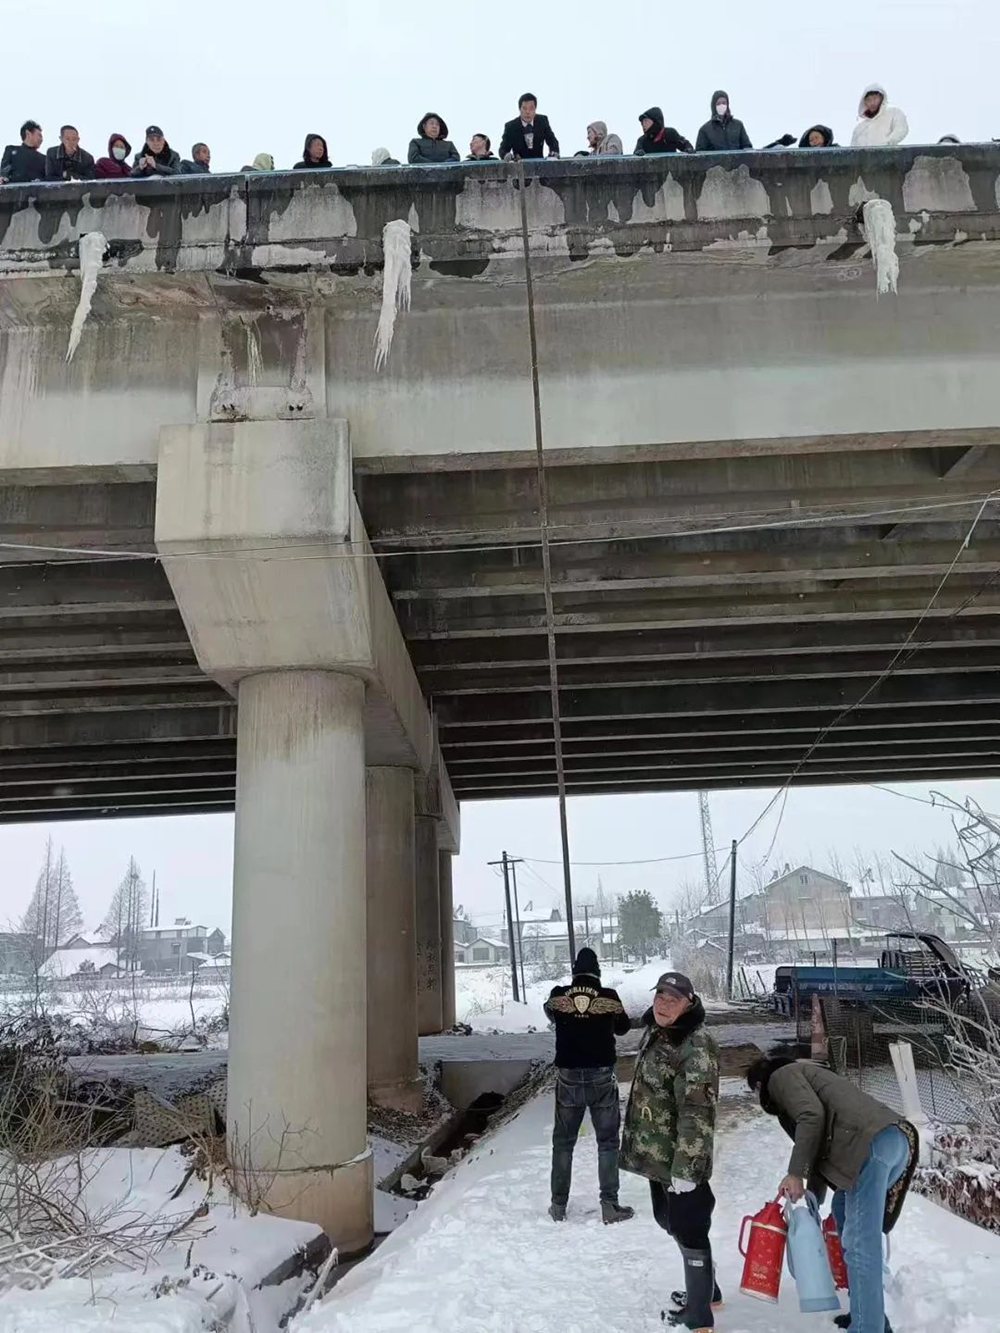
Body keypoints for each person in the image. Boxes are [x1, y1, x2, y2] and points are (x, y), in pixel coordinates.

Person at [748, 1056, 919, 1333]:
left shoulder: (782, 1077)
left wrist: (795, 1173)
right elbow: (819, 1142)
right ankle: (867, 1315)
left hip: (870, 1146)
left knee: (862, 1245)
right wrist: (810, 1198)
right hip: (894, 1142)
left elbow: (811, 1116)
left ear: (759, 1085)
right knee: (843, 1215)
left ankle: (868, 1327)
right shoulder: (811, 1073)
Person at [621, 972, 720, 1331]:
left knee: (689, 1226)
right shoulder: (659, 1031)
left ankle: (699, 1315)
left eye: (673, 999)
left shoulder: (695, 1045)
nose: (663, 1004)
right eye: (660, 996)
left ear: (689, 1003)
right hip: (658, 1153)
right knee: (671, 1221)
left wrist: (687, 1170)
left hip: (680, 1158)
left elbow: (697, 1111)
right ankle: (707, 1290)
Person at [544, 947, 634, 1226]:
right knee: (607, 1142)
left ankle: (558, 1206)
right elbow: (624, 1028)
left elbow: (552, 1016)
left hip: (568, 1078)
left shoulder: (558, 995)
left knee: (563, 1143)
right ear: (598, 971)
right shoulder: (608, 997)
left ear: (574, 970)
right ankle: (609, 1205)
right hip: (601, 1078)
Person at [499, 93, 559, 161]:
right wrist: (506, 155)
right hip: (519, 166)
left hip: (539, 165)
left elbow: (552, 141)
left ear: (535, 109)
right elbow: (503, 149)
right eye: (524, 108)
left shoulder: (542, 121)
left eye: (531, 108)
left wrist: (554, 153)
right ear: (519, 109)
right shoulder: (511, 127)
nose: (528, 112)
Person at [1, 120, 47, 184]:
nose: (41, 139)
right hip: (13, 191)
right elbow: (4, 170)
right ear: (28, 133)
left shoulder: (44, 158)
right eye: (39, 135)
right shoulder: (11, 150)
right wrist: (3, 178)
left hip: (37, 192)